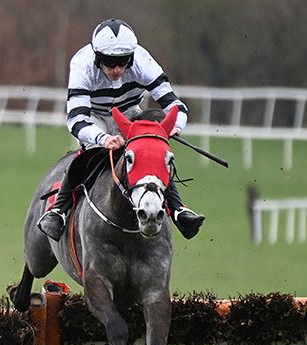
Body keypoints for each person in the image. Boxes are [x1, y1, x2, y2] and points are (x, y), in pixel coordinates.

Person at [37, 18, 205, 241]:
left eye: (123, 62)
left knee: (155, 149)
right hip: (94, 117)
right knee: (89, 154)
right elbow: (76, 120)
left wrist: (176, 126)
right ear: (97, 57)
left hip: (130, 116)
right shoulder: (82, 63)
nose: (117, 69)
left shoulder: (142, 61)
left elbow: (176, 105)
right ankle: (59, 210)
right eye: (109, 62)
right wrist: (103, 138)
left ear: (131, 57)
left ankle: (177, 210)